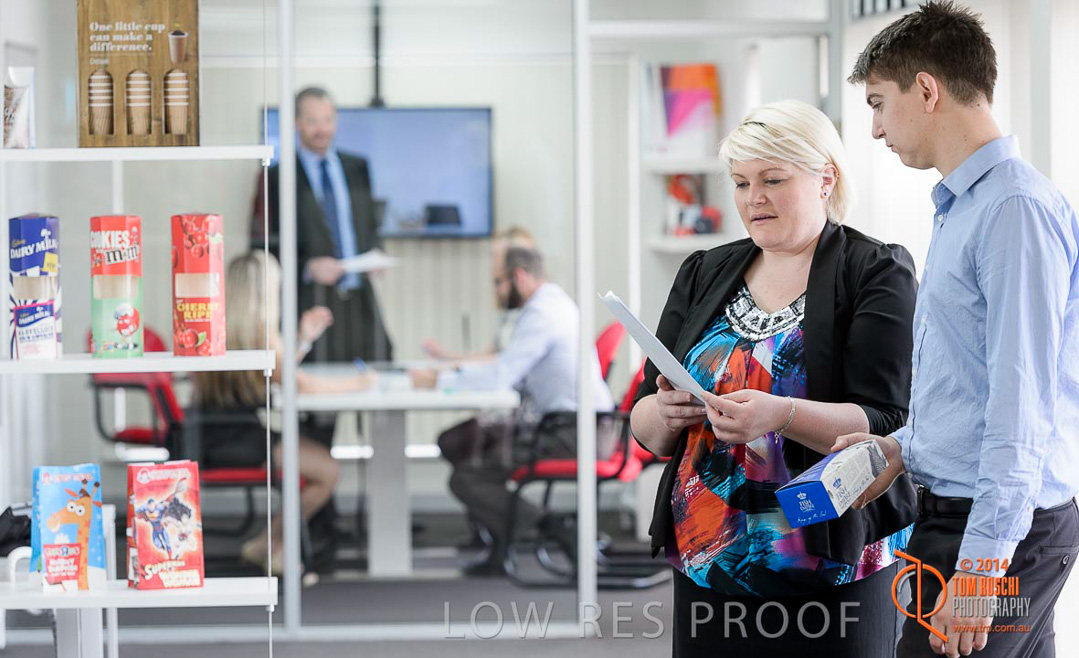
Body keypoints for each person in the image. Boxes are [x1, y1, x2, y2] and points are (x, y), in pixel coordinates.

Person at [629, 100, 919, 655]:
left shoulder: (875, 270)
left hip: (831, 563)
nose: (752, 198)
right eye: (741, 183)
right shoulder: (704, 271)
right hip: (709, 559)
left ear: (825, 179)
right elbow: (646, 423)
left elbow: (887, 421)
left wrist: (780, 415)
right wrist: (664, 414)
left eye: (772, 180)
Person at [838, 3, 1079, 657]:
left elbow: (1020, 407)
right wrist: (900, 447)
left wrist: (979, 569)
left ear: (926, 89)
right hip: (969, 516)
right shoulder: (964, 207)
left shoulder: (1012, 209)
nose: (875, 129)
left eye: (878, 104)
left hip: (996, 530)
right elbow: (969, 381)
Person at [410, 245, 615, 576]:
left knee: (466, 478)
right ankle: (501, 543)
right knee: (456, 442)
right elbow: (514, 373)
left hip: (574, 432)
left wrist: (439, 379)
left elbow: (503, 375)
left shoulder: (543, 314)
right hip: (571, 424)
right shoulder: (551, 304)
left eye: (498, 282)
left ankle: (553, 527)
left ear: (518, 277)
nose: (496, 292)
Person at [189, 251, 375, 576]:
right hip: (238, 441)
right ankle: (272, 544)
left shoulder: (217, 329)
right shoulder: (260, 333)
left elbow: (280, 373)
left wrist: (302, 340)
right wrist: (360, 383)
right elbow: (301, 384)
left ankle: (268, 545)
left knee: (317, 462)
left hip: (211, 434)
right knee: (328, 471)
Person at [251, 86, 392, 364]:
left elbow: (368, 226)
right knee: (314, 380)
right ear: (297, 123)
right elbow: (262, 244)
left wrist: (376, 253)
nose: (322, 129)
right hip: (310, 302)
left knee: (380, 365)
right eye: (312, 121)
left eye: (327, 120)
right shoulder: (277, 177)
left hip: (360, 298)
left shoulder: (357, 168)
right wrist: (307, 267)